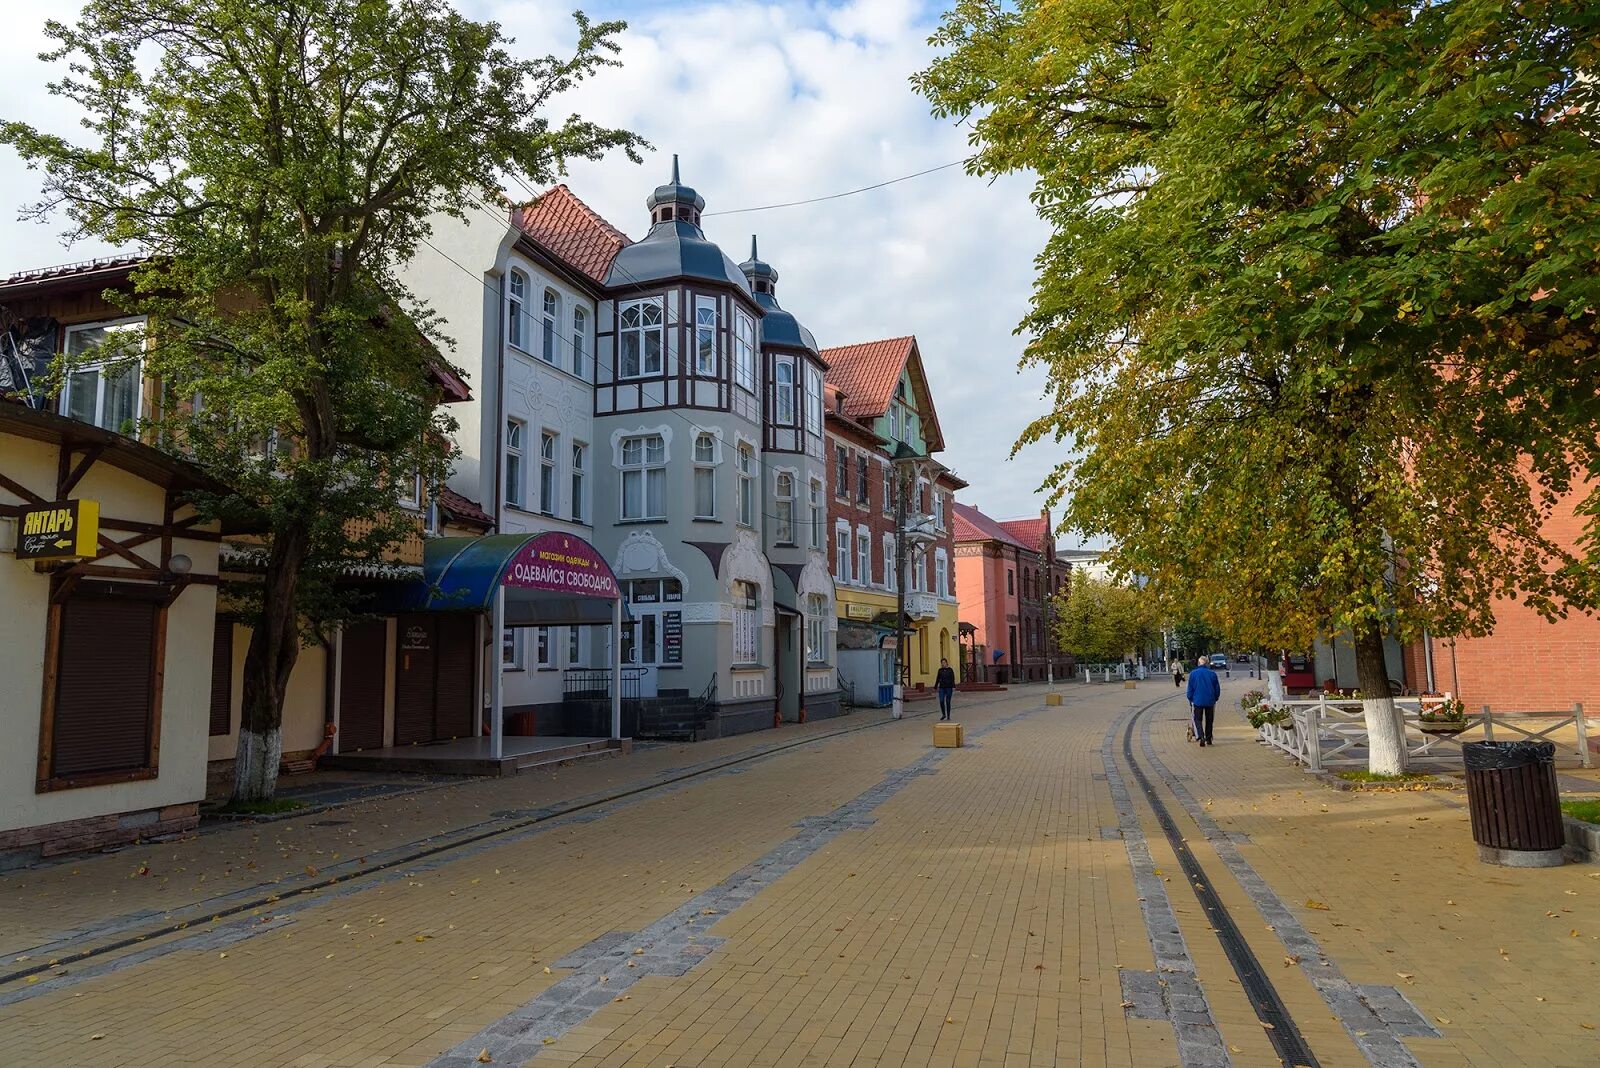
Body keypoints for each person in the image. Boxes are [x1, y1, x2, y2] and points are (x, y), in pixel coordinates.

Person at [1186, 653, 1221, 746]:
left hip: (1197, 700)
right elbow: (1217, 688)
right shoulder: (1212, 674)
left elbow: (1190, 688)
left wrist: (1190, 698)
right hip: (1210, 700)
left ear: (1199, 663)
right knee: (1209, 720)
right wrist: (1216, 697)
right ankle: (1209, 738)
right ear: (1207, 663)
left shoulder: (1193, 673)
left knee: (1198, 719)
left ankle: (1201, 736)